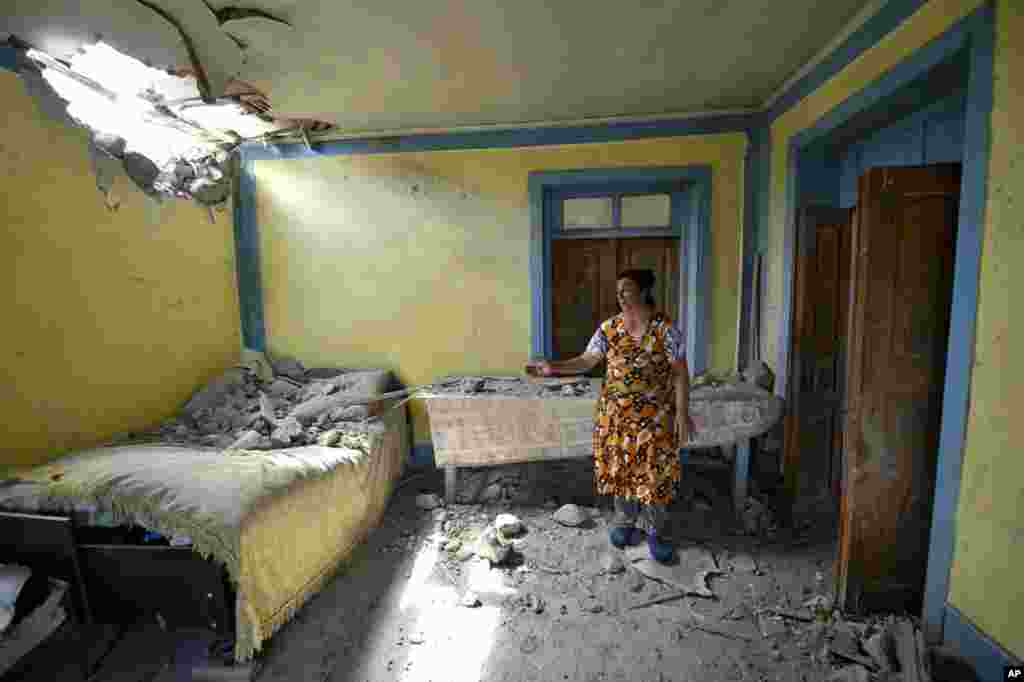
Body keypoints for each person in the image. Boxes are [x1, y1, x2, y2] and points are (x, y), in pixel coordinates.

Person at [526, 269, 692, 563]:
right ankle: (625, 521)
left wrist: (682, 412)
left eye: (626, 290)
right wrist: (552, 368)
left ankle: (656, 530)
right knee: (622, 470)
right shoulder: (609, 328)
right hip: (616, 416)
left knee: (654, 473)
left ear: (643, 292)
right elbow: (586, 360)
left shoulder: (665, 329)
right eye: (618, 292)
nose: (621, 297)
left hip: (655, 416)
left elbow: (680, 374)